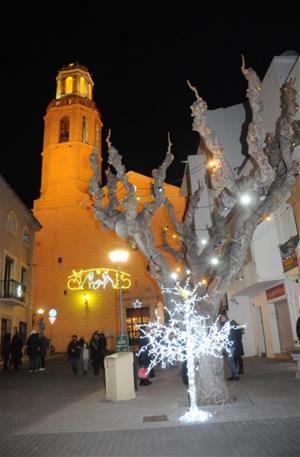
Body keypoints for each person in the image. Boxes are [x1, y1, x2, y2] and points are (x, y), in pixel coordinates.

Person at [220, 313, 243, 381]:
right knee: (231, 360)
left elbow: (232, 334)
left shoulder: (229, 324)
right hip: (231, 345)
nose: (221, 319)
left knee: (230, 360)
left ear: (225, 317)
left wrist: (234, 342)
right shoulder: (228, 324)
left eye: (222, 318)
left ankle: (235, 376)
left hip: (231, 345)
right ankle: (234, 374)